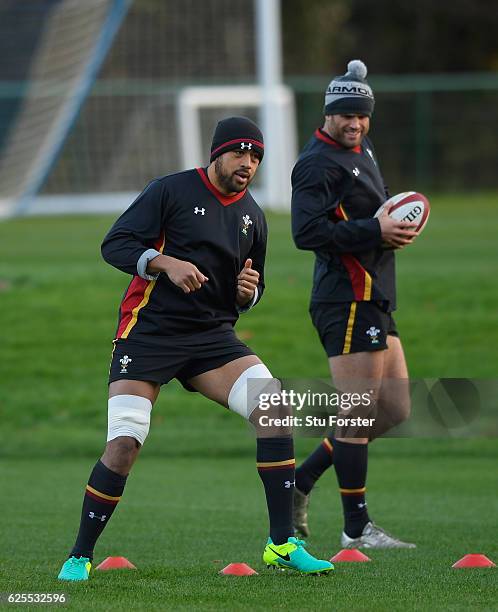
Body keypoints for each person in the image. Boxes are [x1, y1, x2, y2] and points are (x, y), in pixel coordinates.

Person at [57, 116, 333, 580]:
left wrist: (250, 293)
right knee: (125, 442)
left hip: (210, 338)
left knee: (275, 408)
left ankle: (282, 545)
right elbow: (116, 243)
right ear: (216, 153)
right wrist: (165, 264)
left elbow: (248, 289)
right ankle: (80, 555)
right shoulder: (170, 191)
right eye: (240, 153)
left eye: (256, 157)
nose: (249, 163)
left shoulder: (253, 217)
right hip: (148, 333)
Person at [291, 61, 417, 549]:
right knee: (358, 413)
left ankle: (302, 480)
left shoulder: (362, 148)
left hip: (377, 297)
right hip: (345, 298)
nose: (355, 124)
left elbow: (374, 214)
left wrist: (392, 228)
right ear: (328, 114)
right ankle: (356, 528)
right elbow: (306, 233)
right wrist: (375, 230)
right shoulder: (316, 164)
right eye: (346, 116)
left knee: (394, 409)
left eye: (362, 116)